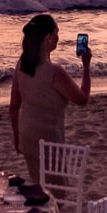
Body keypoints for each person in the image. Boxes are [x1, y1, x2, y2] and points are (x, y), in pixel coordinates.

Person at [8, 13, 90, 185]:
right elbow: (82, 99)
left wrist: (17, 137)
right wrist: (86, 67)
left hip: (27, 135)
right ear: (48, 38)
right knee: (56, 192)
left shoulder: (21, 65)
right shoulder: (54, 72)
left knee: (38, 184)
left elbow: (14, 105)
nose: (58, 37)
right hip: (49, 142)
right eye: (56, 33)